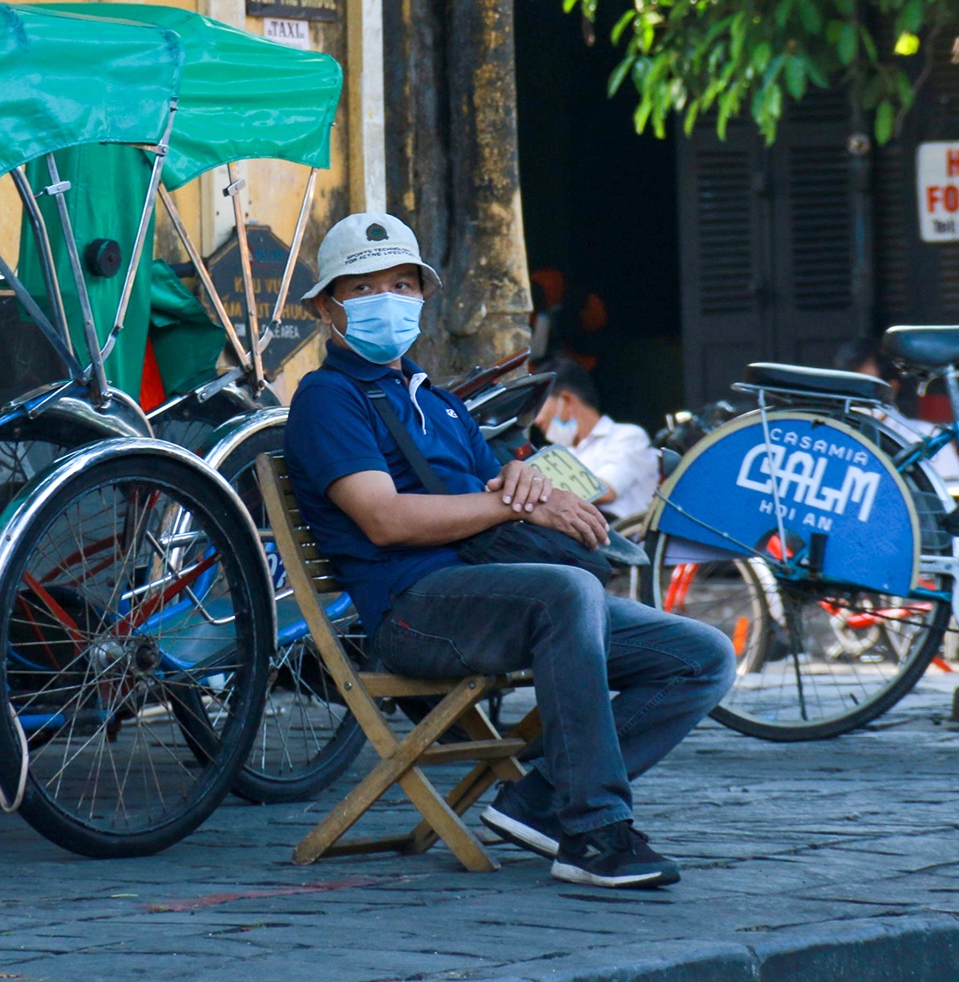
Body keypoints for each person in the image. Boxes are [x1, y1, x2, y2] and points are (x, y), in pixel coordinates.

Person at [284, 213, 735, 889]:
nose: (388, 298)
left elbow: (502, 481)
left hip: (498, 593)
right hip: (415, 613)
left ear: (422, 296)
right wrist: (509, 500)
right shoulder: (329, 397)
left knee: (702, 655)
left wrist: (525, 480)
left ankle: (540, 799)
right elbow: (383, 519)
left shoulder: (436, 400)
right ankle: (594, 830)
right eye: (364, 286)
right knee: (568, 591)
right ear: (327, 307)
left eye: (402, 283)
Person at [532, 356, 660, 524]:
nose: (536, 420)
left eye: (539, 407)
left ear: (567, 400)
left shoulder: (627, 436)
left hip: (623, 541)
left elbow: (603, 490)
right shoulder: (556, 453)